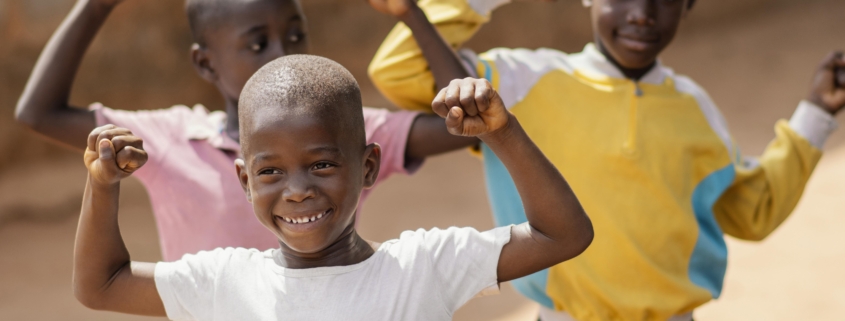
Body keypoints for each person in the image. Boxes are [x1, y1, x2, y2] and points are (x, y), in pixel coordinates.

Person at [366, 0, 845, 319]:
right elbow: (400, 68)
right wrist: (419, 12)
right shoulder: (517, 82)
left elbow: (752, 209)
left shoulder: (695, 110)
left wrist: (817, 114)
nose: (642, 14)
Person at [71, 55, 594, 320]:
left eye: (321, 166)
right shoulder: (223, 281)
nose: (297, 191)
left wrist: (503, 132)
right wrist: (102, 186)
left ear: (368, 168)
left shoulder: (422, 266)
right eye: (271, 172)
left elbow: (564, 235)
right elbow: (101, 284)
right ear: (244, 180)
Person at [14, 0, 477, 261]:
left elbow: (464, 127)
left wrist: (410, 13)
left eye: (294, 35)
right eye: (257, 43)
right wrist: (96, 8)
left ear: (366, 163)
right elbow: (38, 113)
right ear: (205, 62)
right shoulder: (173, 138)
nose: (280, 52)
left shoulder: (347, 130)